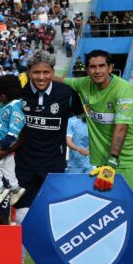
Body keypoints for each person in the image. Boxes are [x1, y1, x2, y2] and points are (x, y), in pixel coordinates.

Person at [57, 50, 133, 264]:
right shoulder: (83, 84)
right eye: (92, 67)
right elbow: (57, 79)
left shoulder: (123, 89)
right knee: (105, 220)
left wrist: (113, 163)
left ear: (111, 67)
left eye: (102, 66)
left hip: (129, 161)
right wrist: (31, 76)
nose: (97, 71)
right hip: (101, 164)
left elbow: (121, 128)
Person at [15, 51, 82, 225]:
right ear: (29, 72)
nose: (41, 77)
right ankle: (19, 254)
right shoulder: (18, 92)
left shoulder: (66, 93)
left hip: (54, 165)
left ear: (53, 72)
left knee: (54, 216)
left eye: (46, 72)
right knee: (22, 214)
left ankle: (49, 253)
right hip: (24, 165)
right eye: (36, 72)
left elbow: (86, 117)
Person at [0, 75, 27, 206]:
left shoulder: (15, 107)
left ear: (2, 95)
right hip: (3, 138)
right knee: (8, 165)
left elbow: (17, 122)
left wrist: (8, 139)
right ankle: (15, 188)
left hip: (2, 139)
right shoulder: (6, 103)